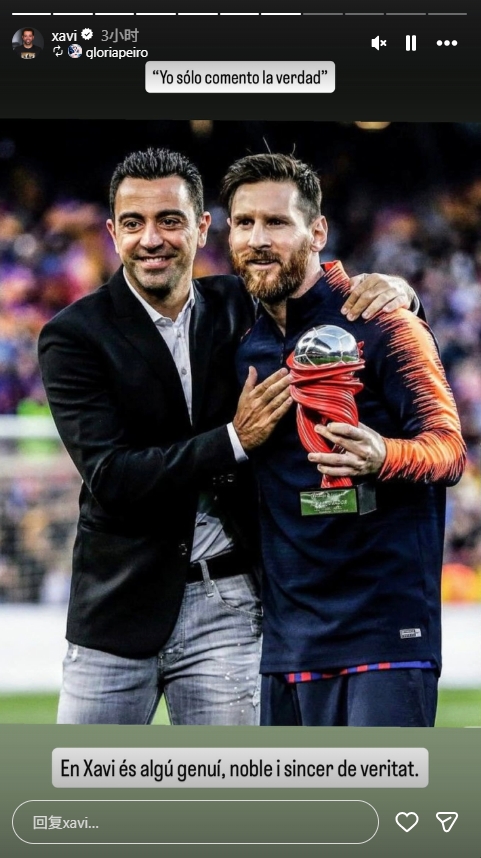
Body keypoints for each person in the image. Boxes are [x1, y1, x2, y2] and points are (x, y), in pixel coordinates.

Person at [38, 147, 416, 726]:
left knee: (231, 781)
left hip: (229, 604)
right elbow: (113, 478)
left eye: (169, 220)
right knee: (81, 780)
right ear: (113, 234)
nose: (151, 239)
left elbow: (321, 296)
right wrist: (234, 440)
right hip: (116, 607)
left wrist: (398, 291)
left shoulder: (241, 305)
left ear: (201, 228)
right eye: (134, 223)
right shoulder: (73, 336)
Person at [224, 152, 467, 727]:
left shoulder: (383, 319)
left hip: (385, 634)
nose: (258, 239)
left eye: (277, 222)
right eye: (244, 223)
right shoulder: (242, 340)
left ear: (317, 232)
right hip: (287, 644)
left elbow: (449, 449)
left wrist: (385, 454)